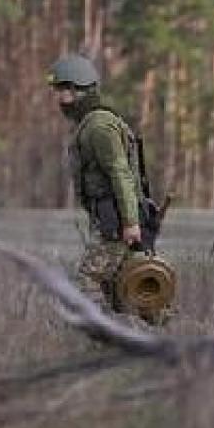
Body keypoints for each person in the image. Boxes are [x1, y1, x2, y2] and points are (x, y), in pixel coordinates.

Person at [48, 53, 149, 313]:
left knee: (87, 283)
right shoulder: (90, 124)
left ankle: (99, 335)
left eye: (62, 90)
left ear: (78, 89)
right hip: (110, 218)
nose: (58, 98)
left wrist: (130, 222)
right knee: (128, 285)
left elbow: (120, 174)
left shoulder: (98, 127)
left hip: (116, 220)